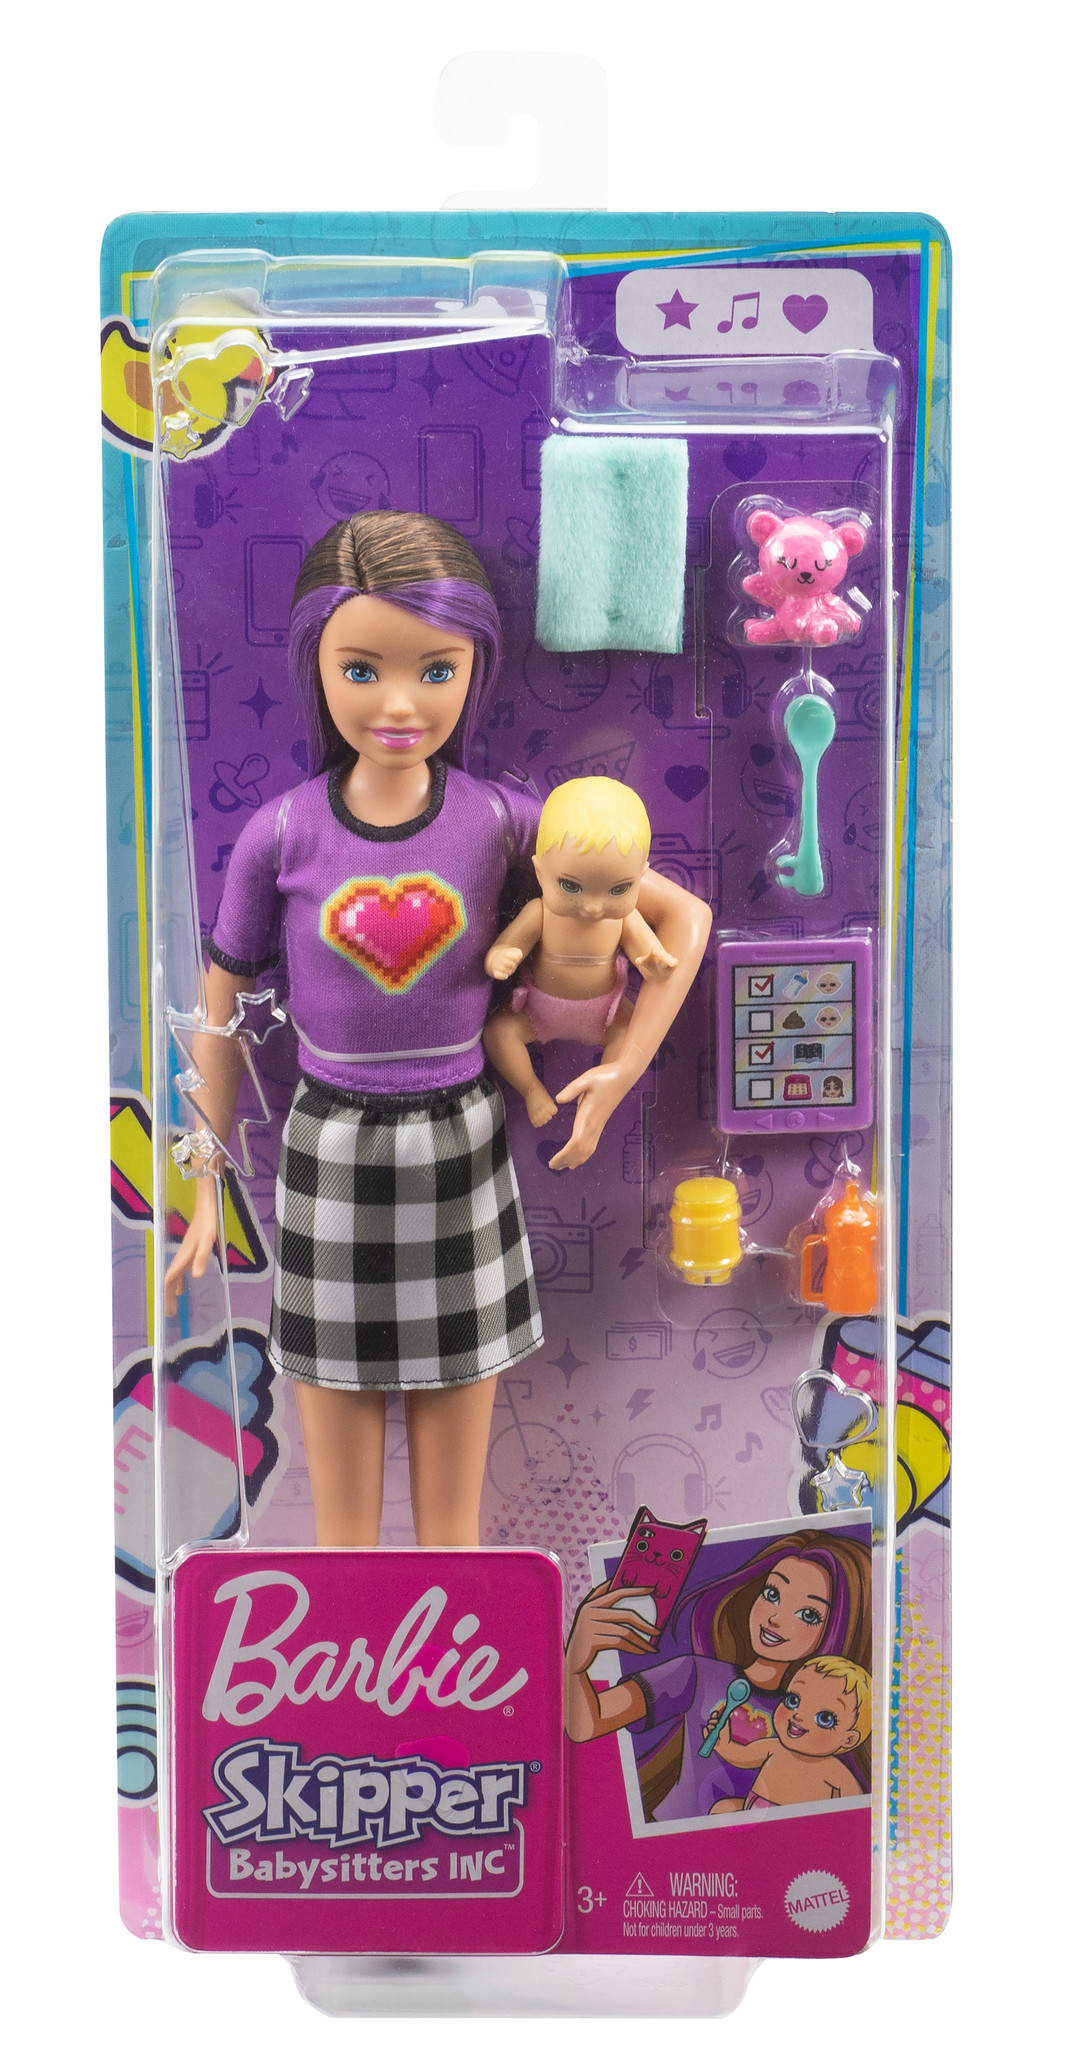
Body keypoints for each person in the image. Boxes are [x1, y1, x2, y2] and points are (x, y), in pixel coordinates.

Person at [163, 511, 711, 1548]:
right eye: (360, 669)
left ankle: (455, 1633)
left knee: (450, 1522)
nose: (399, 703)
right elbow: (218, 1010)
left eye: (436, 670)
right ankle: (352, 1643)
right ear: (316, 665)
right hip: (329, 1143)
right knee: (343, 1525)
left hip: (459, 1138)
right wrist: (201, 1181)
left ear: (475, 669)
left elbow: (680, 918)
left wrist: (621, 1064)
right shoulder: (282, 832)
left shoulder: (501, 821)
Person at [564, 1529, 871, 1821]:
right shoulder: (696, 1674)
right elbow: (586, 1724)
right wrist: (576, 1663)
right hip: (672, 1838)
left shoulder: (824, 1722)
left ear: (837, 1627)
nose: (775, 1618)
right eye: (772, 1593)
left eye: (808, 1614)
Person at [483, 778, 677, 1137]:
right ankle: (532, 1089)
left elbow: (650, 955)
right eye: (570, 886)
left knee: (632, 1036)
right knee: (498, 1035)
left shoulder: (625, 919)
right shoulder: (540, 912)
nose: (592, 907)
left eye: (618, 889)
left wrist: (656, 966)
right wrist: (502, 957)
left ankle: (599, 1092)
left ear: (640, 877)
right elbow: (504, 947)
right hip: (537, 1011)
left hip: (605, 1015)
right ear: (540, 871)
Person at [708, 1655, 871, 1812]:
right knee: (723, 1808)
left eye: (824, 1718)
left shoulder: (836, 1773)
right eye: (793, 1700)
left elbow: (857, 1811)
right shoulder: (774, 1747)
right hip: (755, 1814)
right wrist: (722, 1743)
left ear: (849, 1739)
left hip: (799, 1826)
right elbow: (741, 1755)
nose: (798, 1716)